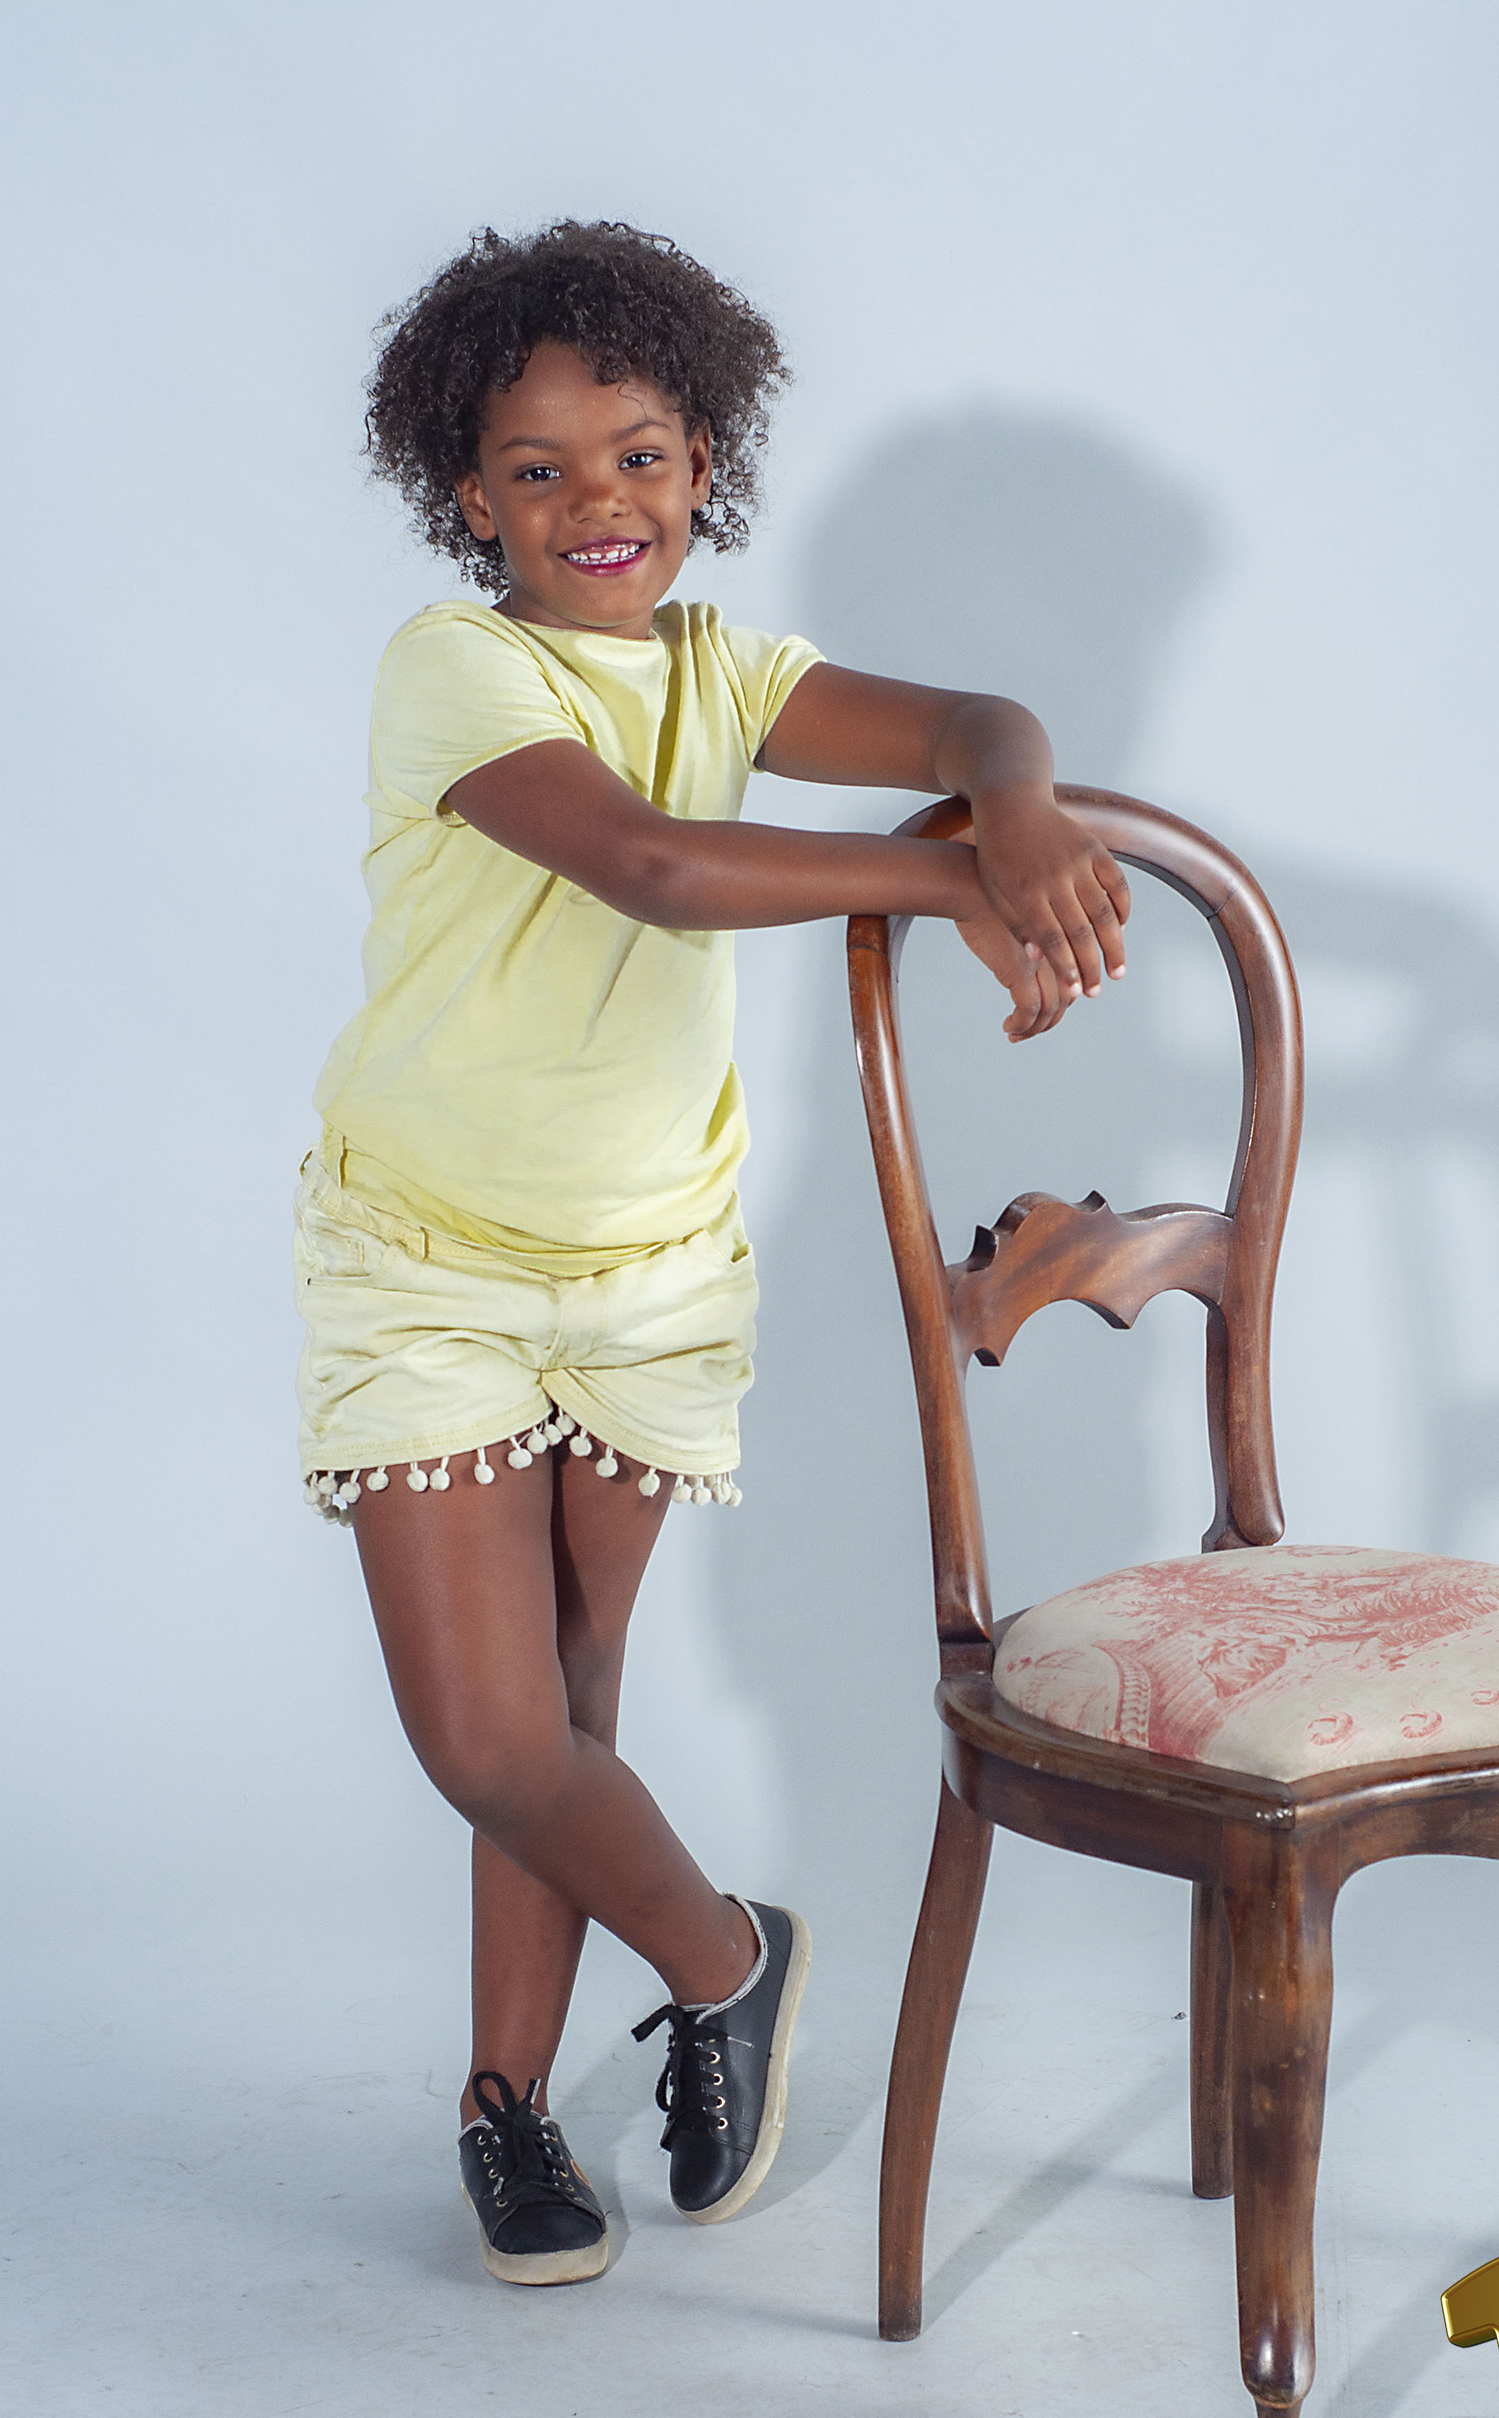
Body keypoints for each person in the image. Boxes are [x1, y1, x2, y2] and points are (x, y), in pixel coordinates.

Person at [296, 220, 1130, 2287]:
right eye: (540, 469)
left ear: (704, 463)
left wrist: (1013, 799)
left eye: (643, 455)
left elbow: (979, 716)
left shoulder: (727, 672)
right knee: (490, 1738)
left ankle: (502, 2108)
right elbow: (655, 864)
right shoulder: (458, 669)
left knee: (566, 1712)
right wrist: (953, 881)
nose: (600, 502)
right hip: (428, 1259)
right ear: (467, 494)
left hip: (655, 1273)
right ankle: (726, 1956)